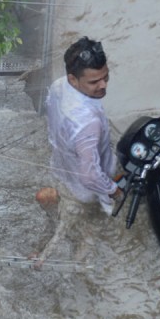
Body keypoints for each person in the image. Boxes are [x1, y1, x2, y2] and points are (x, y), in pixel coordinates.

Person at [45, 36, 122, 215]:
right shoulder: (87, 122)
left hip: (63, 172)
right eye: (94, 82)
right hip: (90, 194)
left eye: (106, 76)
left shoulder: (58, 86)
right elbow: (90, 176)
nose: (103, 85)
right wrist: (116, 191)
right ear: (73, 79)